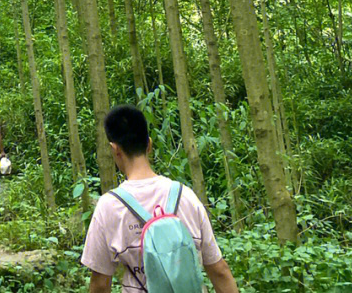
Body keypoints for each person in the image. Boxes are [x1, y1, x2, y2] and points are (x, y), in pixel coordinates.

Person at [81, 104, 240, 293]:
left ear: (115, 148)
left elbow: (99, 285)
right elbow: (219, 270)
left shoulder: (109, 206)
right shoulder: (185, 195)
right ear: (149, 144)